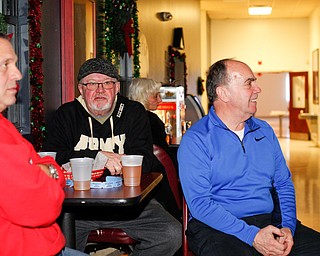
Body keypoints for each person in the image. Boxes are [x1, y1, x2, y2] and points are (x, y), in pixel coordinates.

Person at [178, 58, 320, 256]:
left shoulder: (265, 131)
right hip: (218, 227)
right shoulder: (196, 140)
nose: (257, 89)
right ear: (223, 93)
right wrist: (252, 236)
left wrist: (288, 228)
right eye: (249, 83)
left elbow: (283, 184)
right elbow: (201, 205)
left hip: (268, 220)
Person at [43, 58, 181, 255]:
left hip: (131, 207)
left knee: (171, 234)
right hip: (77, 211)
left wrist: (115, 161)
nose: (100, 90)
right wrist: (99, 156)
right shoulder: (67, 114)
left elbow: (146, 160)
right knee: (51, 241)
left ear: (116, 87)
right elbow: (52, 158)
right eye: (91, 83)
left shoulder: (134, 112)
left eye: (107, 83)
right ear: (81, 89)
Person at [0, 34, 88, 255]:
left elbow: (47, 162)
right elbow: (42, 208)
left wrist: (44, 169)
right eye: (5, 65)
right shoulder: (67, 114)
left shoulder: (4, 125)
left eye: (15, 65)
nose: (18, 74)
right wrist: (46, 169)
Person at [128, 77, 181, 220]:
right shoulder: (151, 120)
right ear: (143, 96)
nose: (160, 100)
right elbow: (164, 155)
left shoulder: (124, 119)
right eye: (155, 96)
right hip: (154, 181)